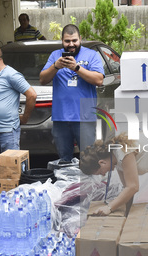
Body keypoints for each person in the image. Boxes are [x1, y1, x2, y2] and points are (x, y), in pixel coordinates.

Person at [39, 24, 105, 162]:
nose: (71, 44)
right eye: (67, 41)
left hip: (84, 117)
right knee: (64, 159)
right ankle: (68, 183)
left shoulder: (91, 55)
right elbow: (43, 79)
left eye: (74, 40)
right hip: (61, 117)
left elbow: (99, 80)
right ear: (62, 40)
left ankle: (88, 184)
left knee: (89, 159)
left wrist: (76, 68)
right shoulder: (55, 56)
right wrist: (55, 66)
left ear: (80, 39)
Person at [0, 45, 36, 165]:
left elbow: (32, 95)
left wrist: (25, 118)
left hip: (7, 131)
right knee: (0, 167)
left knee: (12, 168)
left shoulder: (11, 75)